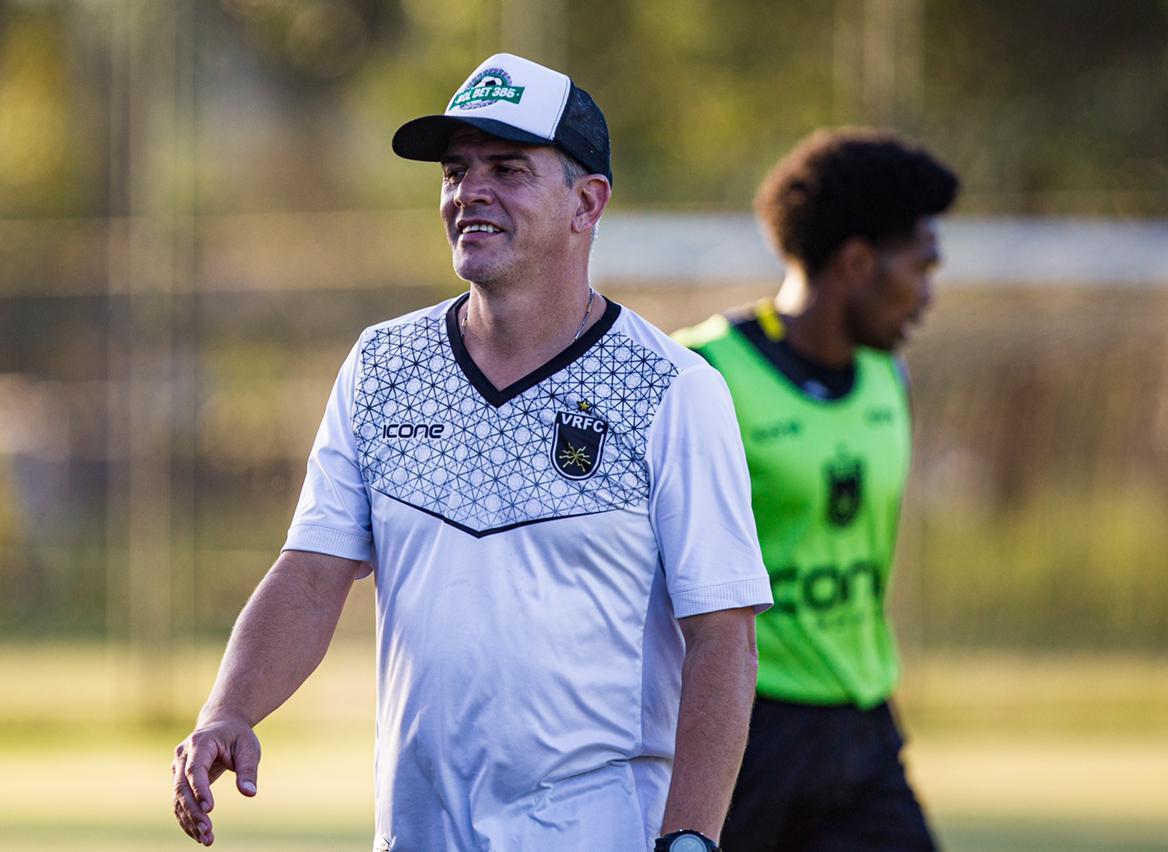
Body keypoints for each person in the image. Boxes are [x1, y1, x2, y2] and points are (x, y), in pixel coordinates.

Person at [171, 53, 772, 851]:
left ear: (587, 203)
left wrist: (691, 838)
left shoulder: (672, 389)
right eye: (455, 170)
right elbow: (312, 575)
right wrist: (230, 709)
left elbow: (723, 637)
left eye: (508, 168)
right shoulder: (384, 366)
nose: (469, 192)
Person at [674, 128, 959, 850]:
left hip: (862, 730)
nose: (927, 296)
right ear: (858, 262)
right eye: (920, 268)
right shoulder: (698, 376)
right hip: (743, 731)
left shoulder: (886, 376)